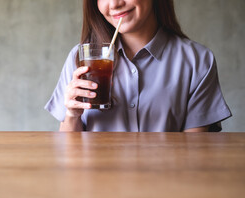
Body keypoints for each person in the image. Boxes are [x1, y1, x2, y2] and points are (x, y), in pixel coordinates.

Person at [44, 0, 232, 132]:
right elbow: (68, 151)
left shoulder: (197, 60)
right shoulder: (80, 58)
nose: (114, 4)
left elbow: (195, 150)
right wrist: (72, 114)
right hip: (96, 184)